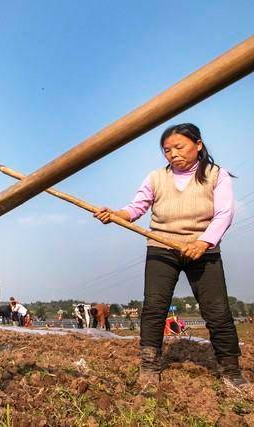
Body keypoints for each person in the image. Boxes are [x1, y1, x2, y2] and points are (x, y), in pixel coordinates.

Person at [94, 123, 249, 394]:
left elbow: (224, 213)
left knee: (217, 311)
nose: (173, 154)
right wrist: (117, 214)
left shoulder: (216, 175)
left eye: (179, 147)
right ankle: (149, 367)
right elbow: (137, 207)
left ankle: (232, 371)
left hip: (203, 249)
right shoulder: (156, 178)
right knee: (154, 307)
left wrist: (203, 242)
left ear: (198, 145)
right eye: (167, 150)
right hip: (162, 247)